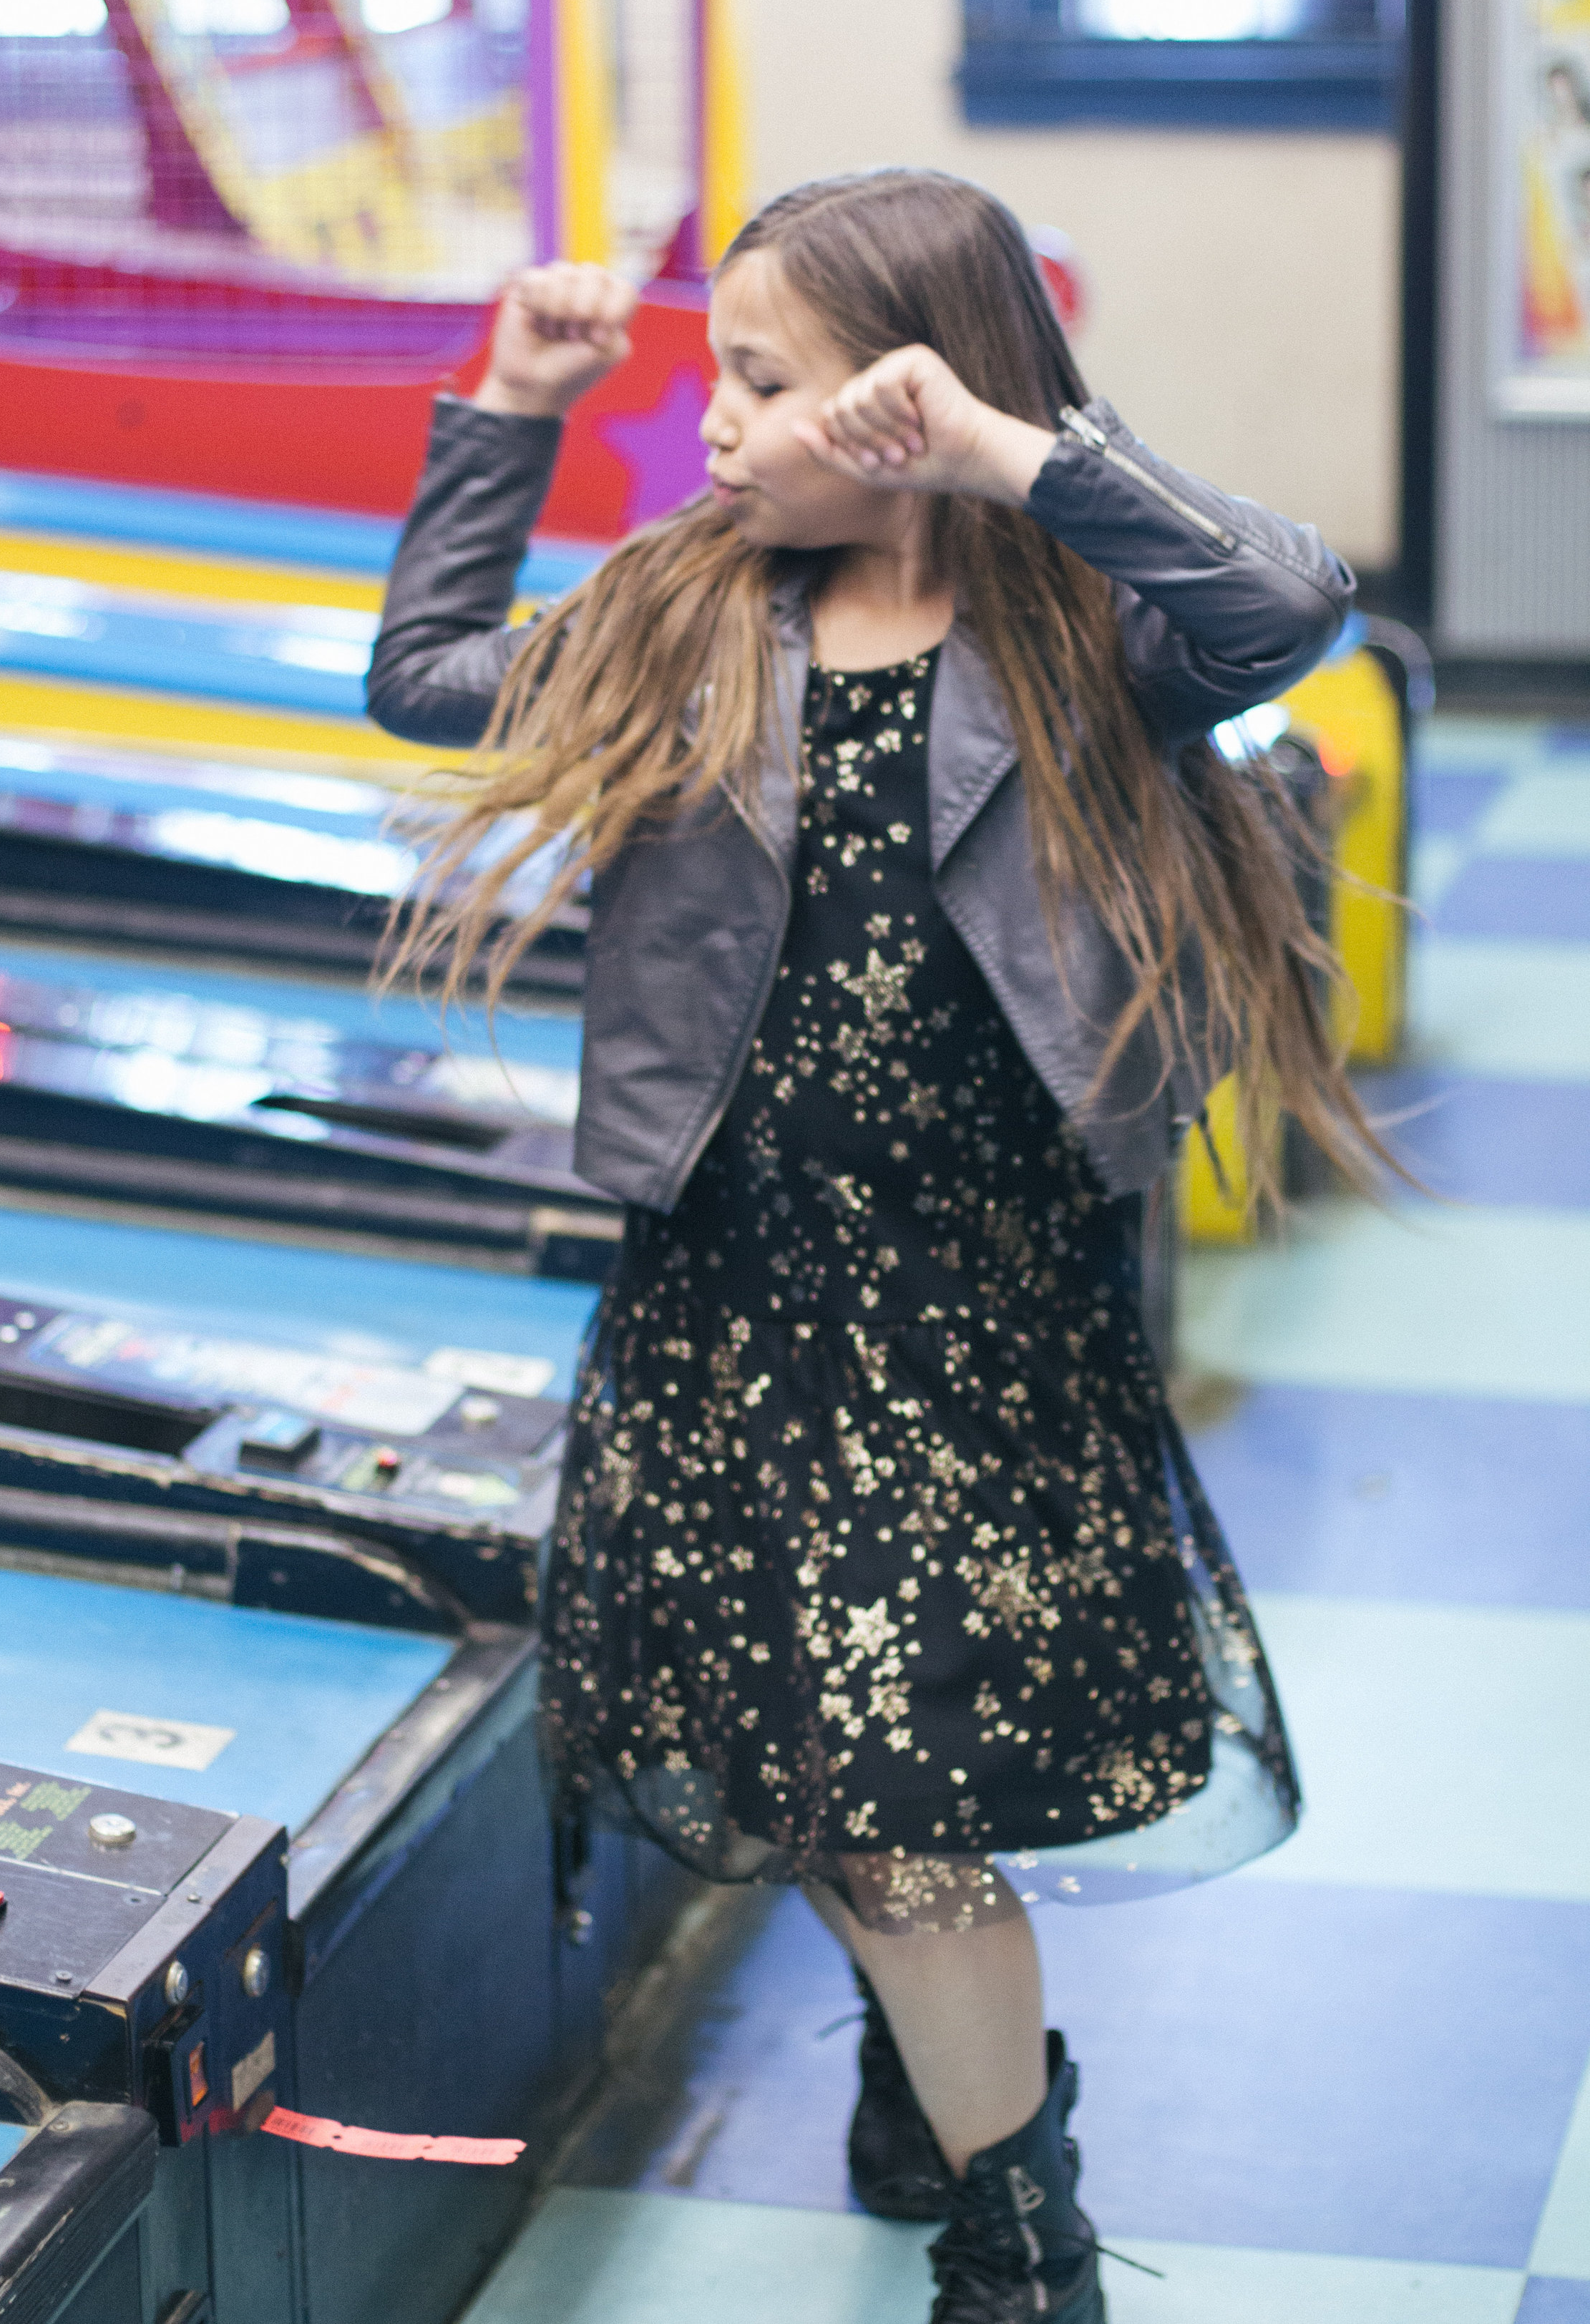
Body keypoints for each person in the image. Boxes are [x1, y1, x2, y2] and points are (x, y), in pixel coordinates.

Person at [369, 170, 1376, 2324]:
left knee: (900, 1781)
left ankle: (1028, 2244)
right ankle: (963, 2090)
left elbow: (1296, 602)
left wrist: (1017, 452)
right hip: (736, 1288)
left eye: (763, 384)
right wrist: (510, 409)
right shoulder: (694, 606)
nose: (715, 424)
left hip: (980, 1309)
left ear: (909, 400)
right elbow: (431, 679)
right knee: (807, 1755)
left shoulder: (1083, 638)